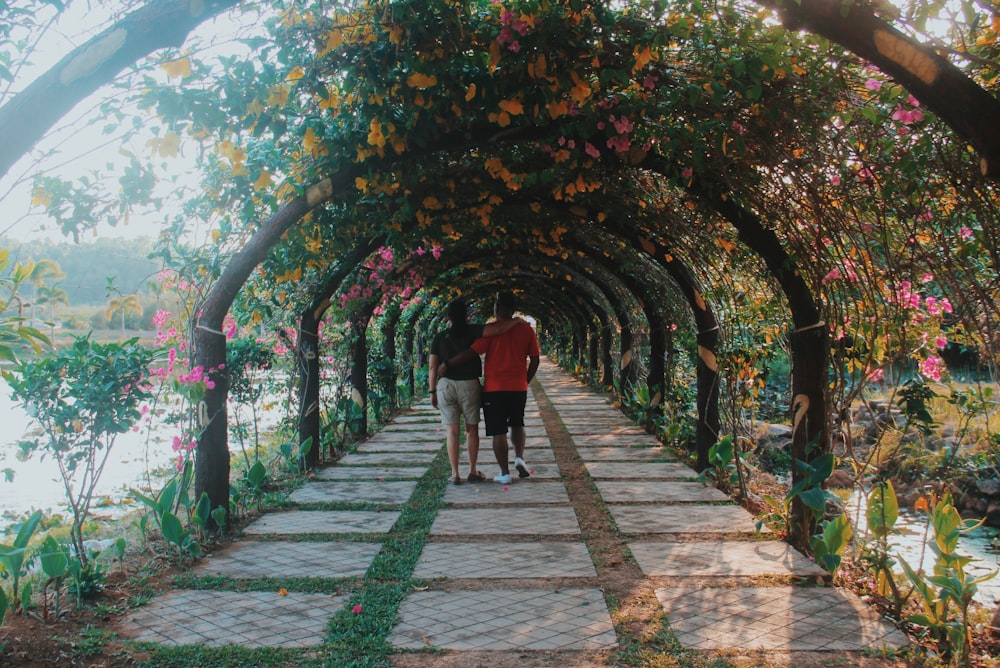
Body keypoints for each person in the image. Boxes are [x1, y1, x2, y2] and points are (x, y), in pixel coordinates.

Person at [438, 291, 540, 484]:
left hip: (494, 388)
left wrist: (448, 364)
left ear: (497, 308)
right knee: (518, 423)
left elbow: (470, 353)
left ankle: (504, 473)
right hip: (518, 387)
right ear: (513, 307)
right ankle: (519, 457)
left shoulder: (491, 331)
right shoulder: (526, 330)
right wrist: (526, 379)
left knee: (498, 431)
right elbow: (535, 359)